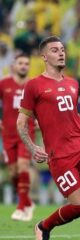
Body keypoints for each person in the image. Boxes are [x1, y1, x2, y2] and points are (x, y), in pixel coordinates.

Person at [16, 36, 80, 240]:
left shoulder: (73, 83)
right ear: (44, 56)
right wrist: (32, 146)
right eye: (55, 50)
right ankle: (44, 226)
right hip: (60, 154)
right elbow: (21, 122)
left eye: (62, 49)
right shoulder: (34, 85)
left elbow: (74, 115)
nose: (61, 52)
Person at [0, 53, 35, 221]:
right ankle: (27, 201)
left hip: (26, 133)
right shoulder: (3, 83)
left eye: (26, 63)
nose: (23, 66)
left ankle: (21, 207)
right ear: (14, 66)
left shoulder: (33, 85)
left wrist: (41, 121)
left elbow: (42, 106)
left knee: (23, 166)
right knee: (13, 172)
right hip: (7, 134)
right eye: (20, 63)